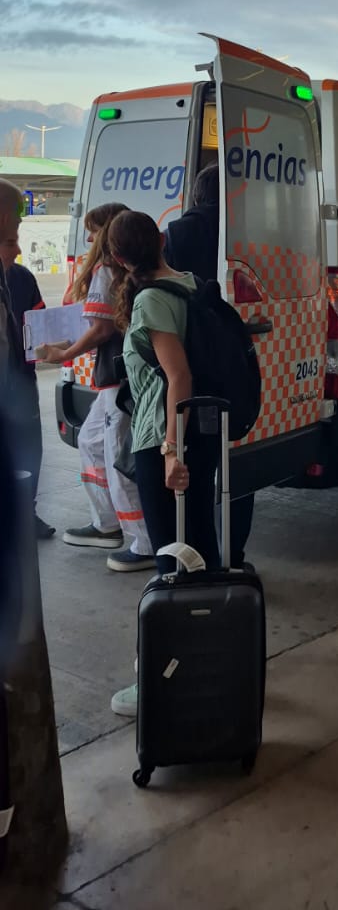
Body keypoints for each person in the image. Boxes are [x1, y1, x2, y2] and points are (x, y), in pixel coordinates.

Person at [108, 208, 223, 717]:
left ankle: (165, 678)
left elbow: (178, 377)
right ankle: (219, 665)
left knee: (171, 563)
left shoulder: (153, 300)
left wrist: (171, 452)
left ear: (116, 258)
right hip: (199, 433)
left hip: (165, 439)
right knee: (201, 553)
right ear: (159, 240)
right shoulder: (192, 283)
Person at [40, 203, 154, 571]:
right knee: (91, 442)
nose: (88, 238)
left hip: (116, 378)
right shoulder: (130, 271)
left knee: (117, 457)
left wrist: (65, 353)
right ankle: (108, 523)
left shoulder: (107, 271)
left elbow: (101, 329)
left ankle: (142, 541)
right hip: (121, 376)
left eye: (93, 230)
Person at [163, 163, 254, 570]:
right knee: (236, 460)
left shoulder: (176, 233)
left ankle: (199, 557)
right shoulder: (245, 233)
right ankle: (233, 557)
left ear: (197, 194)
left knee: (198, 465)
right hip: (231, 359)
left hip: (190, 357)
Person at [2, 238, 54, 538]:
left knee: (29, 449)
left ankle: (26, 513)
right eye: (10, 241)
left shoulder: (22, 278)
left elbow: (39, 322)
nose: (19, 250)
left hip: (21, 381)